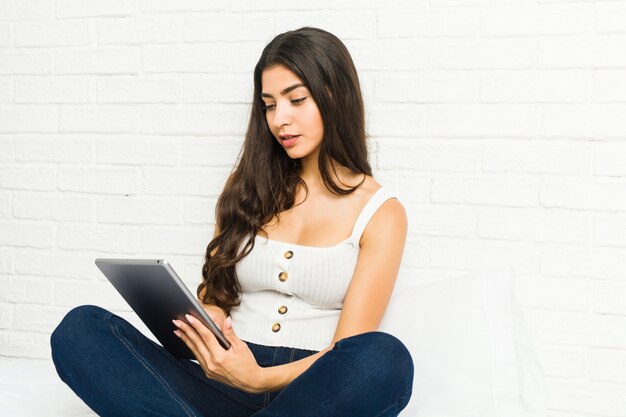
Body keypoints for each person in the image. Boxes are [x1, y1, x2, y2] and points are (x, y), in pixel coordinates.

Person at [50, 26, 414, 417]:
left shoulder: (380, 212)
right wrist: (208, 331)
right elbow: (218, 296)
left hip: (314, 391)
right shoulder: (247, 189)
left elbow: (349, 350)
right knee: (80, 331)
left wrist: (257, 378)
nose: (280, 120)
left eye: (296, 100)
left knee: (384, 360)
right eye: (269, 105)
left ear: (336, 96)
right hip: (221, 377)